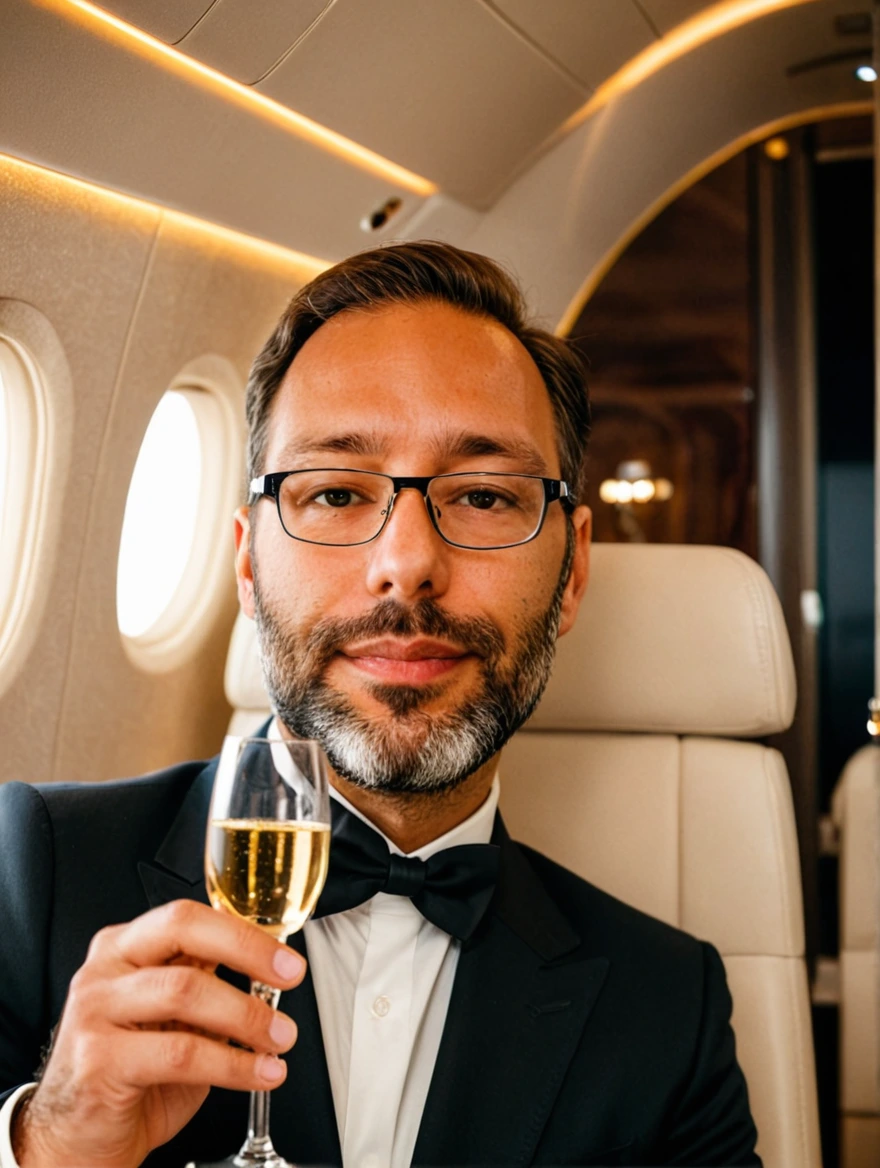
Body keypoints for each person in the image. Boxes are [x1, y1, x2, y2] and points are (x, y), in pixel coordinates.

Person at [0, 242, 760, 1167]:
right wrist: (49, 1145)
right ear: (246, 563)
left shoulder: (669, 1009)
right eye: (333, 492)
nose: (406, 563)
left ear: (572, 571)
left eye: (483, 495)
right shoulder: (31, 878)